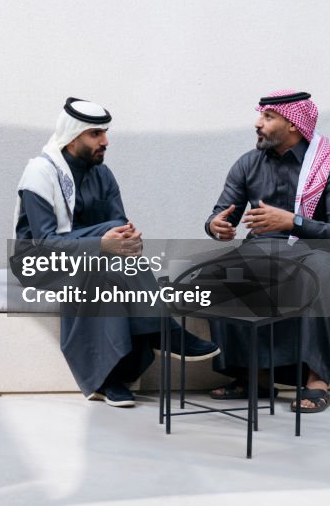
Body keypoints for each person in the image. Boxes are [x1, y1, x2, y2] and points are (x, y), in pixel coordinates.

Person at [14, 97, 219, 407]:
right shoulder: (40, 172)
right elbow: (43, 242)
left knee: (103, 274)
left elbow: (120, 228)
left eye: (105, 133)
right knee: (102, 243)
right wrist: (102, 243)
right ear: (73, 136)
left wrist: (129, 241)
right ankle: (161, 330)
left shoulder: (103, 175)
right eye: (96, 134)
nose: (105, 141)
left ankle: (111, 381)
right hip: (39, 262)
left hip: (92, 263)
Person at [203, 90, 330, 412]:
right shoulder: (248, 163)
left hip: (320, 252)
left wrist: (293, 222)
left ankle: (316, 379)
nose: (257, 124)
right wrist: (215, 225)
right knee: (214, 276)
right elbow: (221, 212)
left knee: (319, 277)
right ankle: (252, 376)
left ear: (293, 125)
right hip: (263, 249)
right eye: (260, 116)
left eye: (268, 117)